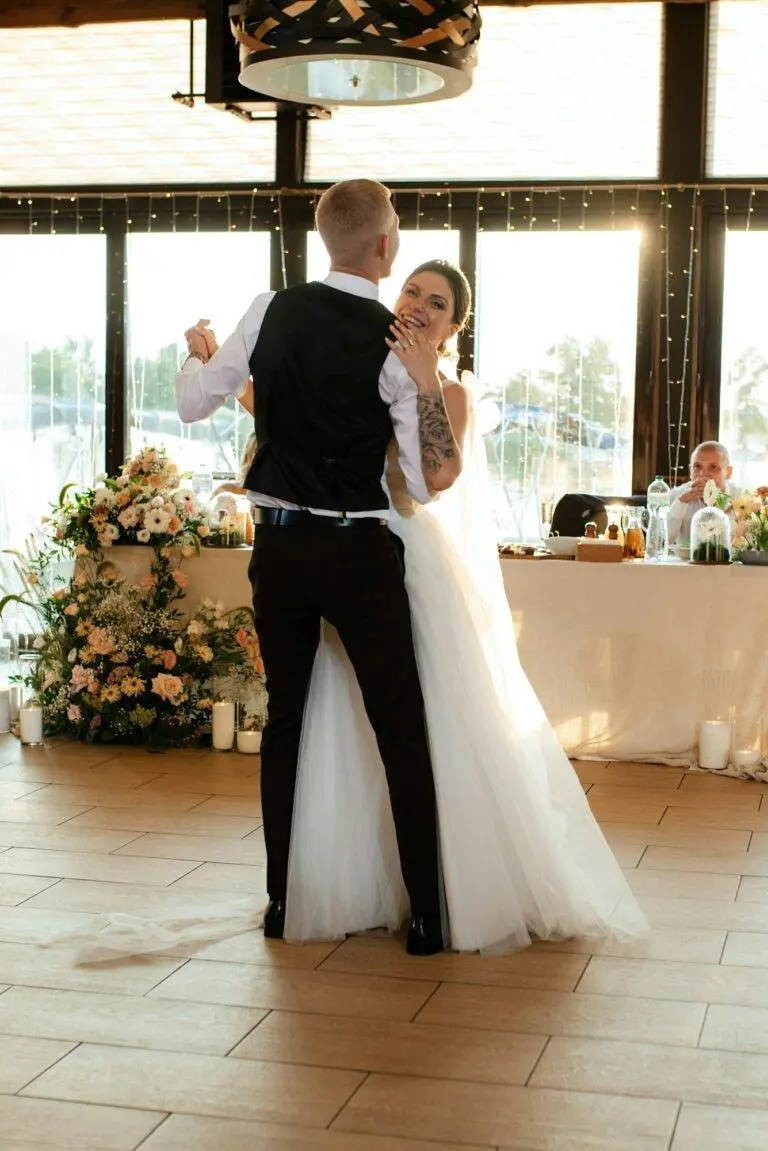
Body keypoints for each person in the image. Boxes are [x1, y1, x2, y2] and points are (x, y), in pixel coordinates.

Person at [264, 259, 648, 952]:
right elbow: (295, 416)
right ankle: (345, 879)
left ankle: (436, 892)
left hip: (404, 550)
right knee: (340, 719)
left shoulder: (448, 391)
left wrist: (419, 377)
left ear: (452, 328)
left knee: (424, 721)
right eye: (411, 290)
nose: (416, 304)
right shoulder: (357, 354)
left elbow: (435, 476)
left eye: (435, 303)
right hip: (339, 546)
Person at [174, 178, 460, 957]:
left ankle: (279, 900)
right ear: (384, 246)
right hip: (360, 551)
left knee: (286, 723)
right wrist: (425, 373)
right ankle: (428, 914)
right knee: (400, 727)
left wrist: (196, 357)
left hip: (280, 549)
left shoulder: (269, 310)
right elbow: (429, 476)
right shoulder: (395, 344)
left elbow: (195, 402)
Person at [667, 441, 738, 547]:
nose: (703, 474)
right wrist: (681, 503)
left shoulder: (741, 497)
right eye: (697, 466)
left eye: (713, 467)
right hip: (685, 562)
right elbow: (660, 542)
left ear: (728, 472)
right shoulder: (675, 495)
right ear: (690, 470)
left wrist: (717, 501)